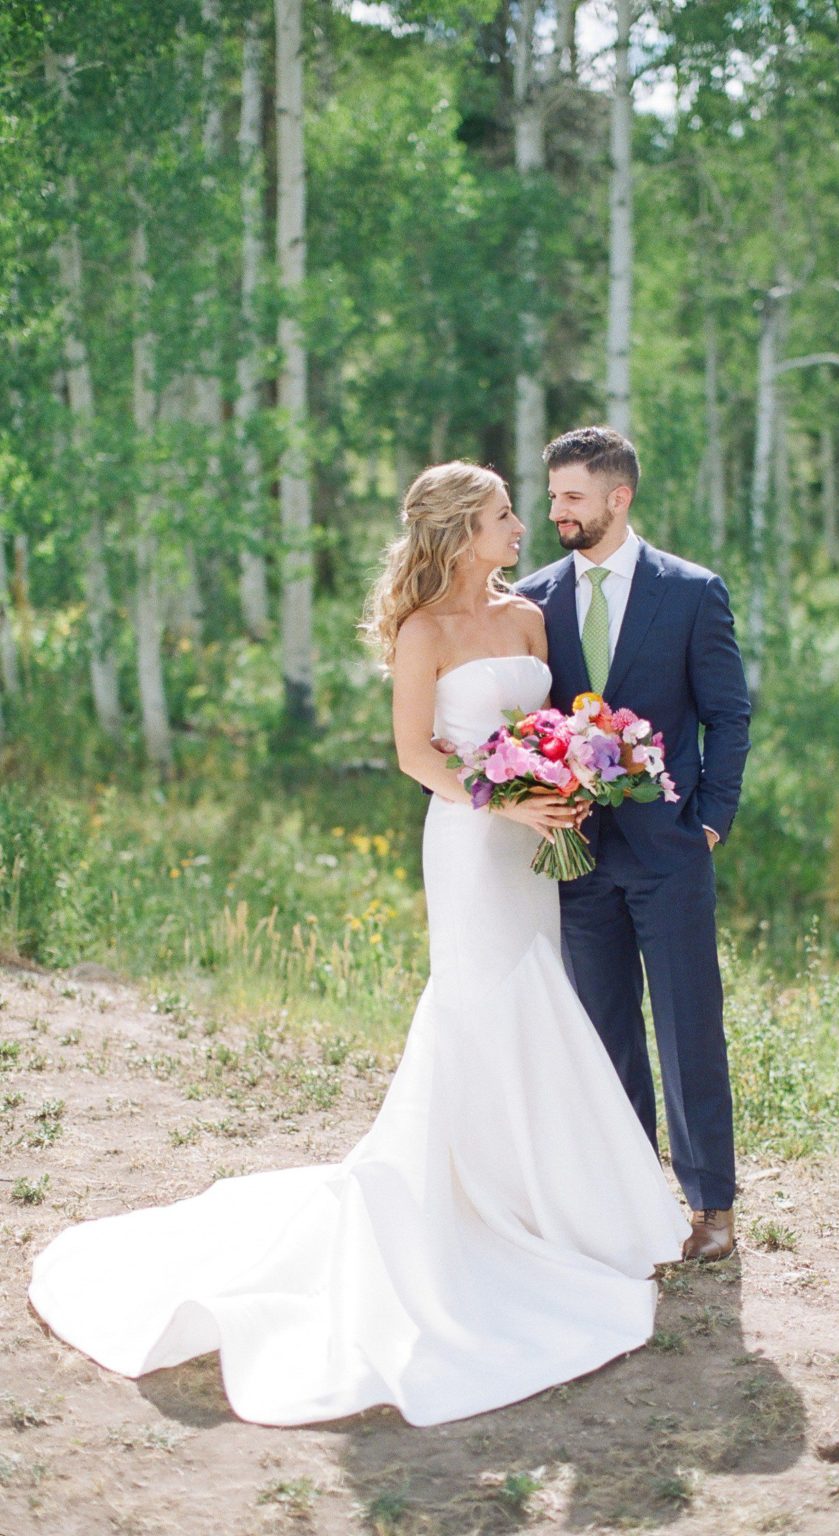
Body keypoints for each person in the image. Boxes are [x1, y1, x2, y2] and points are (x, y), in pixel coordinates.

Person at [28, 461, 688, 1429]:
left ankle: (551, 1203)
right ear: (463, 529)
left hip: (537, 842)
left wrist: (568, 779)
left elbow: (545, 724)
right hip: (471, 843)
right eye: (506, 514)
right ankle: (458, 1206)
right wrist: (507, 797)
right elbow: (416, 752)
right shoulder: (423, 632)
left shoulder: (526, 620)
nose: (520, 527)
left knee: (536, 995)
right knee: (476, 1002)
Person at [516, 428, 751, 1262]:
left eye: (571, 498)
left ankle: (711, 1206)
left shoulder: (690, 593)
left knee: (689, 1025)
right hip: (576, 858)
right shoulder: (532, 599)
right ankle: (624, 1203)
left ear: (618, 498)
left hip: (670, 848)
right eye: (551, 498)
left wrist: (711, 818)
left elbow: (727, 714)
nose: (556, 513)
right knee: (603, 1031)